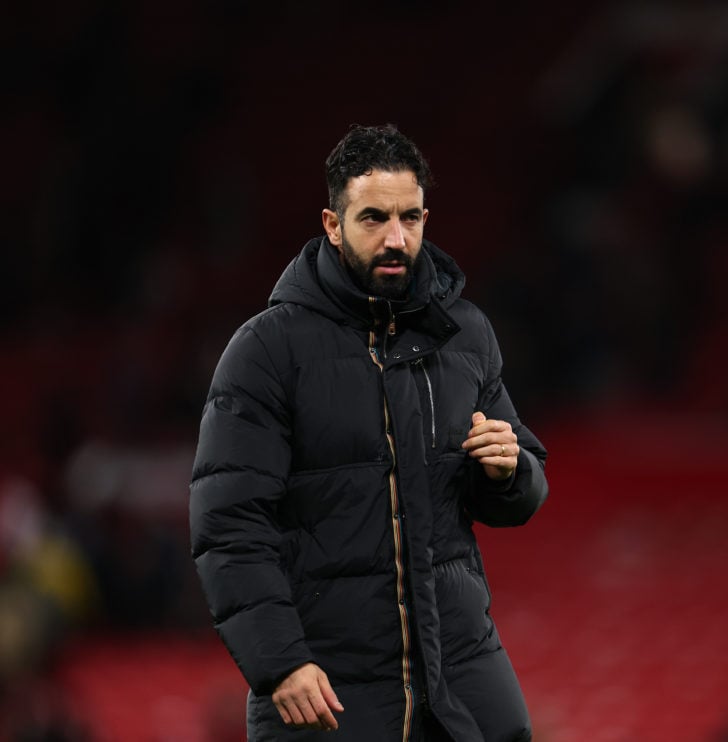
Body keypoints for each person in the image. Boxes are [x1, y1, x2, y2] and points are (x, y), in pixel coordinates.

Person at [189, 124, 549, 741]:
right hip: (328, 689)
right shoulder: (266, 350)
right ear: (332, 223)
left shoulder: (465, 334)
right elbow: (228, 526)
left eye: (410, 217)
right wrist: (279, 663)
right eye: (374, 218)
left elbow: (521, 489)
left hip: (461, 676)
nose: (396, 238)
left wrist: (510, 469)